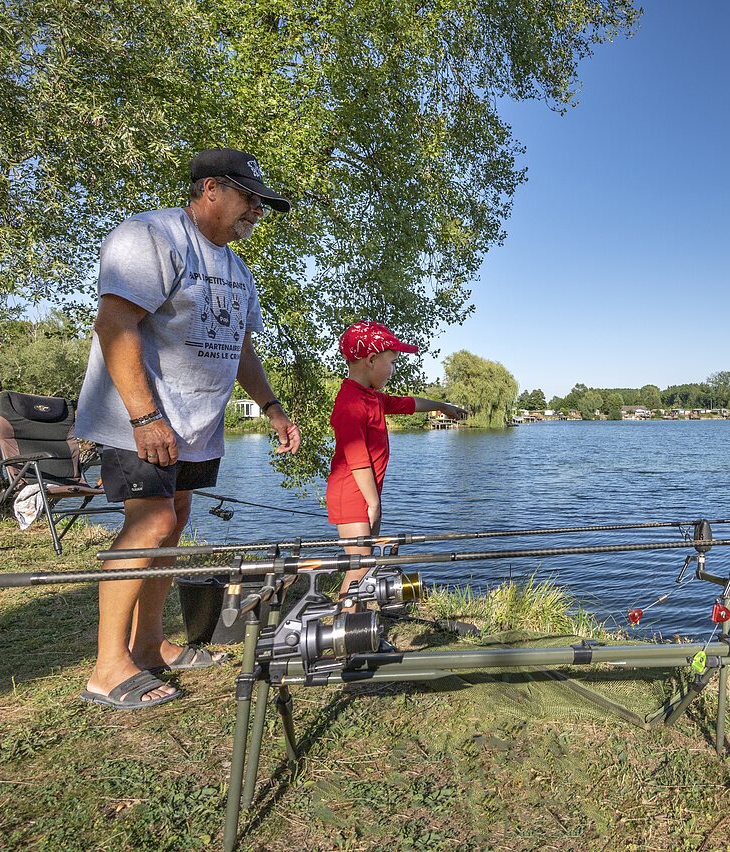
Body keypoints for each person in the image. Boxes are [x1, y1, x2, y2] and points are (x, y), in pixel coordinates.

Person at [74, 148, 301, 709]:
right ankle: (107, 667)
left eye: (261, 205)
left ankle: (149, 646)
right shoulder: (151, 236)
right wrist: (144, 416)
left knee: (173, 524)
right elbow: (116, 322)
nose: (257, 212)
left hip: (195, 424)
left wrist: (270, 406)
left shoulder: (238, 270)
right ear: (210, 189)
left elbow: (240, 349)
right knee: (148, 525)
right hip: (142, 418)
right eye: (250, 199)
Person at [327, 321, 466, 598]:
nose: (392, 371)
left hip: (364, 493)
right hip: (354, 493)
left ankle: (358, 624)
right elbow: (357, 457)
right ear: (371, 359)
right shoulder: (350, 402)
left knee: (367, 565)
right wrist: (373, 501)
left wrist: (441, 405)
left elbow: (409, 403)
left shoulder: (371, 397)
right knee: (359, 567)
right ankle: (345, 626)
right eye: (392, 362)